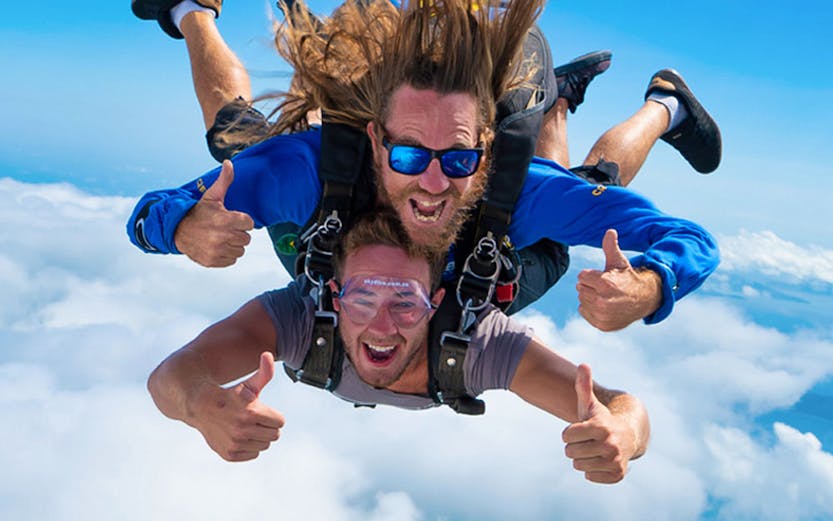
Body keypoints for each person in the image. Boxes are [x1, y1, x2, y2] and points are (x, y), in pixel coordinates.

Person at [127, 0, 720, 331]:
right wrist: (181, 229)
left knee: (584, 195)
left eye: (459, 158)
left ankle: (663, 104)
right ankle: (191, 9)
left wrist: (649, 285)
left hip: (487, 269)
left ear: (485, 147)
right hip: (323, 221)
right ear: (375, 141)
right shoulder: (305, 170)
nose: (434, 182)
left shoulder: (520, 190)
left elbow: (685, 236)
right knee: (239, 140)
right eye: (409, 154)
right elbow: (154, 211)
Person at [147, 209, 651, 484]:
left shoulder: (480, 343)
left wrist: (622, 434)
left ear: (436, 302)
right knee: (239, 138)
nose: (383, 326)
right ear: (336, 296)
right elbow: (173, 373)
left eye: (405, 302)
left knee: (574, 190)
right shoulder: (299, 316)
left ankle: (633, 105)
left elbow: (618, 408)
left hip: (485, 260)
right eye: (363, 299)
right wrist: (203, 406)